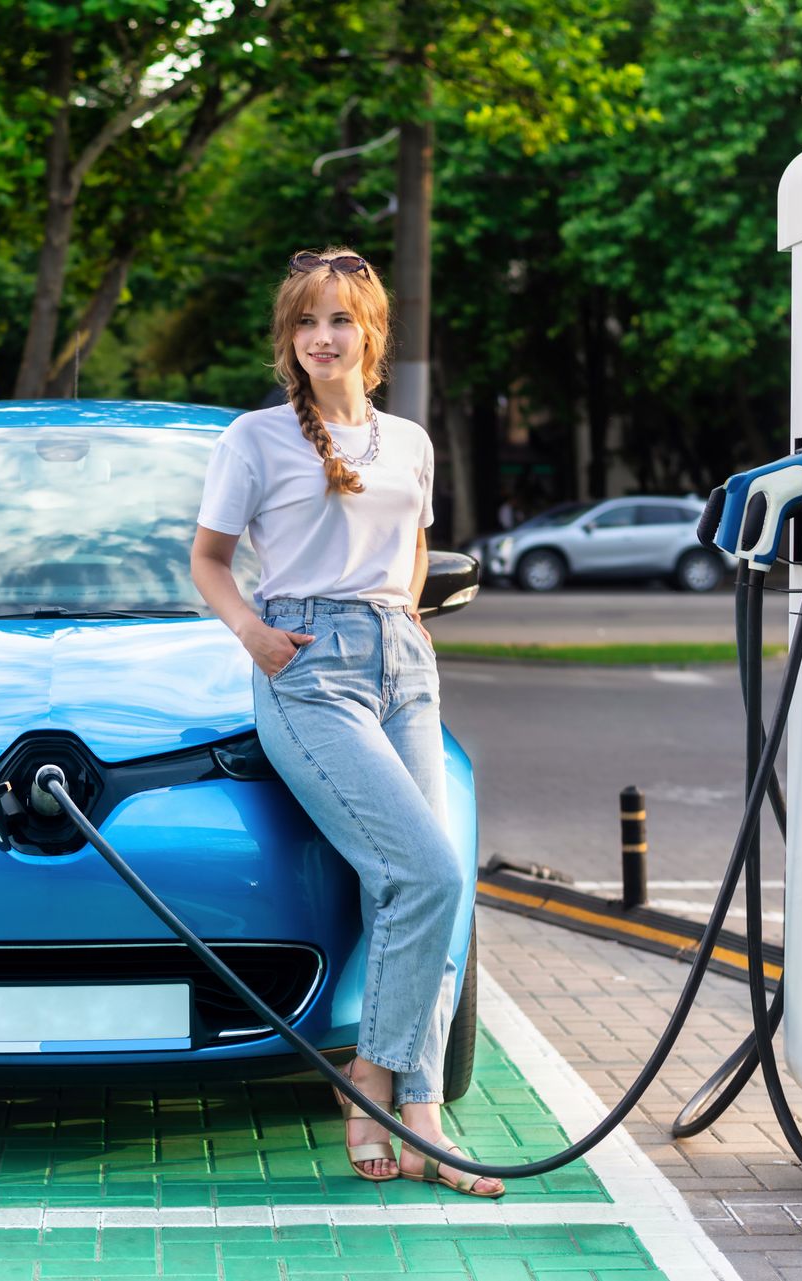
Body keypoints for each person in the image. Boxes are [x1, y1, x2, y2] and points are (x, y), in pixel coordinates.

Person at [189, 247, 503, 1198]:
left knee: (413, 889)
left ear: (371, 333)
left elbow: (412, 547)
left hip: (403, 666)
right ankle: (370, 1075)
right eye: (305, 323)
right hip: (306, 668)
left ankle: (420, 1117)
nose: (323, 337)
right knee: (431, 869)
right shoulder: (254, 438)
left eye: (339, 320)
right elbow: (207, 561)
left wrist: (404, 611)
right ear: (290, 340)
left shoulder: (410, 439)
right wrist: (255, 635)